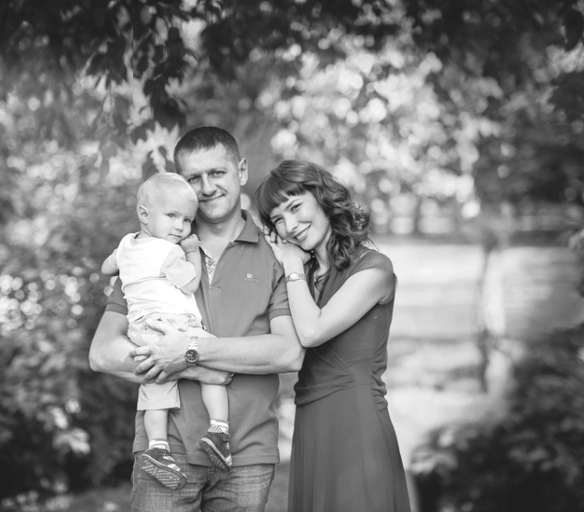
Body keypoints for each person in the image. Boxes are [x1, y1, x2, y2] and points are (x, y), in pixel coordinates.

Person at [89, 126, 303, 512]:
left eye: (217, 173)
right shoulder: (152, 250)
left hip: (247, 454)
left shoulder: (276, 252)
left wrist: (189, 350)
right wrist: (193, 366)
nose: (206, 188)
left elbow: (288, 352)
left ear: (241, 171)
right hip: (164, 451)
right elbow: (103, 352)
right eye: (193, 178)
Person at [255, 160, 411, 512]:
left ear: (323, 198)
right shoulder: (300, 277)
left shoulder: (374, 269)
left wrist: (291, 265)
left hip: (357, 425)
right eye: (278, 219)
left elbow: (312, 331)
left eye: (296, 207)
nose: (290, 226)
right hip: (311, 425)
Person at [100, 173, 232, 491]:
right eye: (172, 216)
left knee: (155, 384)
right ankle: (219, 430)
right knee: (217, 360)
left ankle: (158, 448)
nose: (180, 227)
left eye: (186, 220)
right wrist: (192, 252)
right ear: (144, 214)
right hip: (176, 324)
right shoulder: (168, 251)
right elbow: (190, 283)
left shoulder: (126, 245)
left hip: (141, 328)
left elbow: (107, 268)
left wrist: (127, 263)